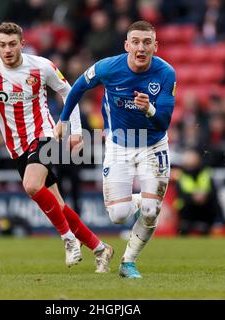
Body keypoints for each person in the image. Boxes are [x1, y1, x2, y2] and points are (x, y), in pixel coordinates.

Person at [0, 22, 114, 273]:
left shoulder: (41, 66)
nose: (7, 49)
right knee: (58, 205)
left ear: (22, 44)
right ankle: (99, 248)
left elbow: (69, 92)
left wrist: (74, 131)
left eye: (12, 44)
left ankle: (68, 239)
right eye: (2, 45)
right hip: (16, 146)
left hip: (44, 134)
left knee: (31, 185)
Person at [55, 20, 176, 278]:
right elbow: (77, 88)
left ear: (155, 46)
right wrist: (64, 120)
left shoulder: (166, 73)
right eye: (135, 42)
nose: (141, 48)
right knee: (118, 216)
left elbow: (164, 121)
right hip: (118, 144)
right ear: (126, 45)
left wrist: (149, 109)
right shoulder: (108, 68)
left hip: (153, 144)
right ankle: (147, 200)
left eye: (146, 42)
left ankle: (128, 262)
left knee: (150, 211)